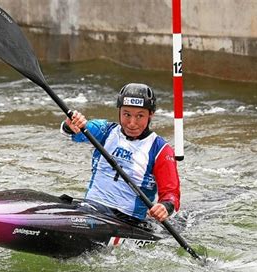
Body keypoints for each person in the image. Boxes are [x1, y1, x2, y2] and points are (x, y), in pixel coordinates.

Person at [60, 83, 180, 224]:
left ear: (151, 115)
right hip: (91, 207)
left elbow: (171, 194)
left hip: (128, 219)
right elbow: (77, 130)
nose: (132, 123)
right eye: (126, 114)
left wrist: (164, 207)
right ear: (119, 111)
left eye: (140, 116)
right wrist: (71, 124)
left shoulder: (160, 150)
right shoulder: (106, 131)